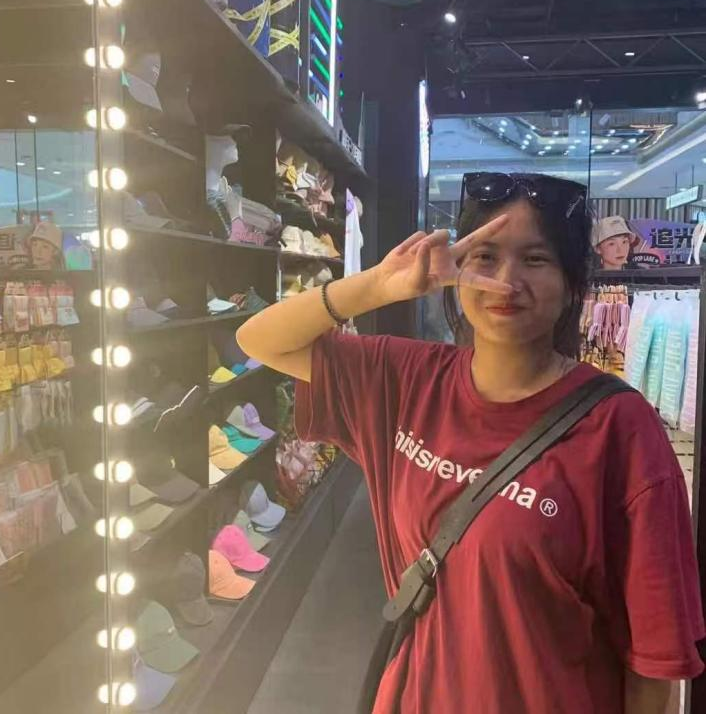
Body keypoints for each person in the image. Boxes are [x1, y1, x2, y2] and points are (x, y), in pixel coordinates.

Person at [236, 172, 704, 714]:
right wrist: (379, 285)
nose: (507, 281)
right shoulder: (406, 379)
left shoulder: (621, 430)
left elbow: (655, 661)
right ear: (459, 270)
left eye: (535, 259)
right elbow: (260, 339)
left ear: (572, 283)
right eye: (485, 257)